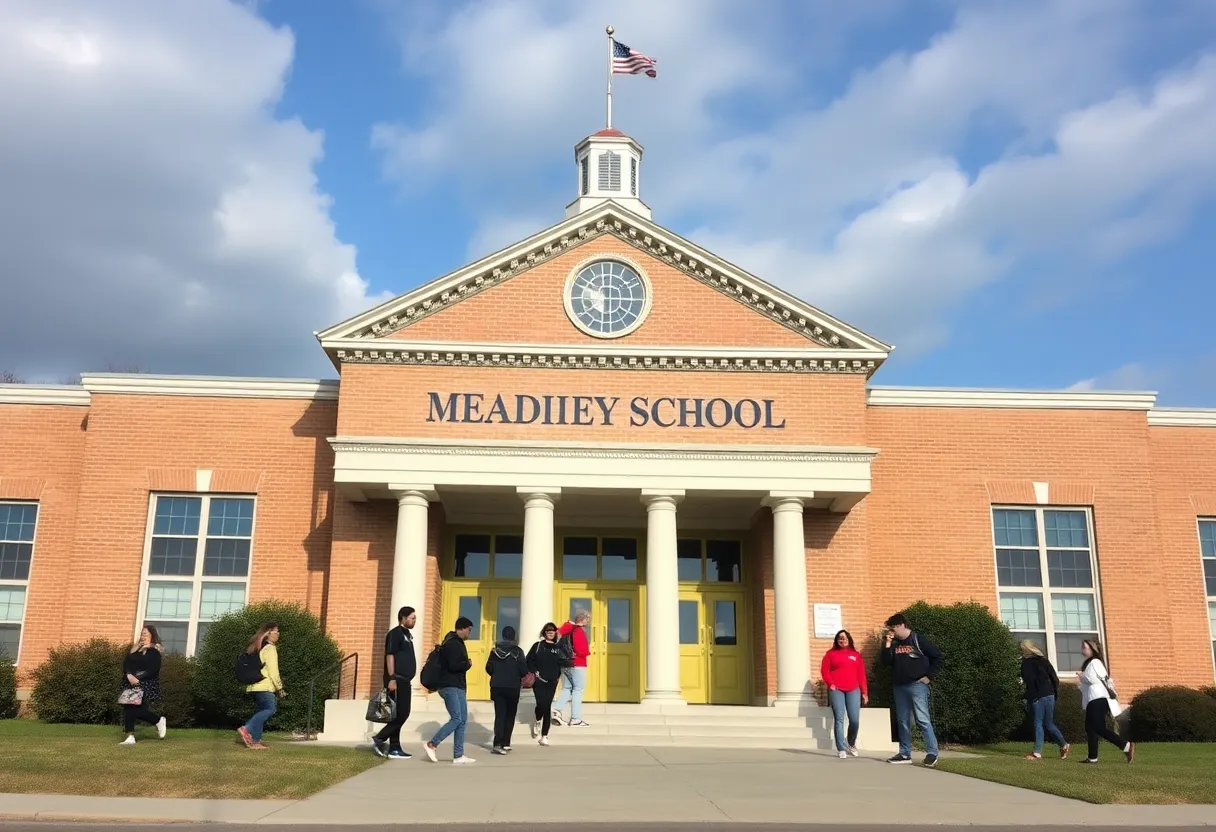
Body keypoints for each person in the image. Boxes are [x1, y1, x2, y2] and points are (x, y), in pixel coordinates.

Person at [880, 612, 942, 767]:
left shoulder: (917, 639)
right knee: (902, 720)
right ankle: (904, 753)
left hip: (917, 685)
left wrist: (929, 676)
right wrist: (887, 644)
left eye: (893, 628)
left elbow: (937, 656)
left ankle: (932, 753)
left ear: (901, 625)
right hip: (899, 686)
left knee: (922, 719)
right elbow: (886, 661)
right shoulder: (894, 644)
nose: (892, 631)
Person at [423, 616, 475, 764]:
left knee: (462, 720)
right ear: (462, 628)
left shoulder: (455, 642)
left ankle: (458, 755)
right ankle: (432, 744)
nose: (469, 633)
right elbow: (453, 666)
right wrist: (467, 664)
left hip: (457, 686)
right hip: (449, 686)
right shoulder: (453, 644)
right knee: (457, 718)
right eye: (469, 630)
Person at [1077, 639, 1133, 764]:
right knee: (1091, 728)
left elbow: (1094, 679)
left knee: (1098, 727)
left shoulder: (1095, 662)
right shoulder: (1091, 663)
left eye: (1085, 647)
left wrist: (1082, 676)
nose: (1082, 650)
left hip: (1098, 698)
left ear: (1092, 649)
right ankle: (1092, 757)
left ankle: (1125, 745)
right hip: (1094, 698)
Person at [371, 606, 417, 760]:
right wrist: (391, 678)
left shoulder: (407, 635)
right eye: (412, 618)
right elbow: (390, 655)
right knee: (402, 713)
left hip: (405, 680)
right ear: (403, 618)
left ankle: (395, 748)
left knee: (399, 713)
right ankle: (379, 738)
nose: (414, 620)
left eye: (414, 618)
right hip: (396, 679)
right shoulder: (395, 634)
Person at [820, 629, 868, 758]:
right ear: (837, 640)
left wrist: (864, 692)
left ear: (849, 640)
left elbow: (861, 675)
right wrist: (831, 684)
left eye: (845, 638)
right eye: (840, 638)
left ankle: (851, 743)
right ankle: (841, 748)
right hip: (837, 690)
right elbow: (825, 671)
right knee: (839, 719)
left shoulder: (855, 655)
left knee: (854, 720)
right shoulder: (830, 654)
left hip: (853, 689)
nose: (842, 640)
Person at [1019, 640, 1069, 760]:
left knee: (1038, 723)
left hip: (1038, 696)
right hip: (1049, 694)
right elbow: (1054, 678)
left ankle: (1037, 752)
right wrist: (1054, 693)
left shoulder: (1026, 664)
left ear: (1025, 650)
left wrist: (1030, 697)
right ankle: (1064, 745)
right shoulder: (1043, 660)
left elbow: (1029, 682)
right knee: (1049, 723)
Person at [238, 622, 285, 750]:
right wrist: (279, 688)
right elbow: (273, 671)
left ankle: (256, 741)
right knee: (269, 710)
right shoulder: (269, 648)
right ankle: (246, 729)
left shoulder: (257, 647)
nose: (278, 634)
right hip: (265, 686)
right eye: (276, 631)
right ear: (268, 633)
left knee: (262, 712)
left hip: (254, 686)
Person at [119, 625, 167, 745]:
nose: (143, 636)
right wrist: (129, 675)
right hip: (130, 682)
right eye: (142, 633)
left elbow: (154, 669)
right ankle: (130, 736)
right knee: (129, 708)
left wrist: (138, 678)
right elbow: (126, 663)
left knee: (135, 709)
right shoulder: (135, 650)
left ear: (152, 635)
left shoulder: (154, 652)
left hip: (146, 683)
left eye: (146, 633)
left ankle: (158, 720)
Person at [486, 625, 529, 754]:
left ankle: (497, 743)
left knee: (500, 716)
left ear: (503, 635)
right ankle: (505, 743)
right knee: (510, 716)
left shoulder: (495, 651)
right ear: (514, 636)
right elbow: (523, 671)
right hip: (512, 687)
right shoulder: (518, 651)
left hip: (497, 686)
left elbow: (488, 668)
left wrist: (498, 674)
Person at [552, 609, 591, 727]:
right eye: (587, 619)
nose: (588, 621)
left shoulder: (565, 628)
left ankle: (556, 710)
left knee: (567, 688)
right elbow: (581, 650)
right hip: (577, 664)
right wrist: (587, 652)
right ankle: (575, 718)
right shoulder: (578, 630)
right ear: (582, 619)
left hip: (565, 664)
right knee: (578, 690)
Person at [526, 622, 563, 746]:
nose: (550, 633)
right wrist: (534, 671)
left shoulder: (558, 648)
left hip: (552, 682)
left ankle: (545, 735)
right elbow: (529, 660)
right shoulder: (537, 646)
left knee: (547, 707)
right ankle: (537, 720)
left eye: (553, 631)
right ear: (544, 633)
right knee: (541, 704)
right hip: (539, 680)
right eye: (548, 631)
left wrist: (557, 676)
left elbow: (561, 664)